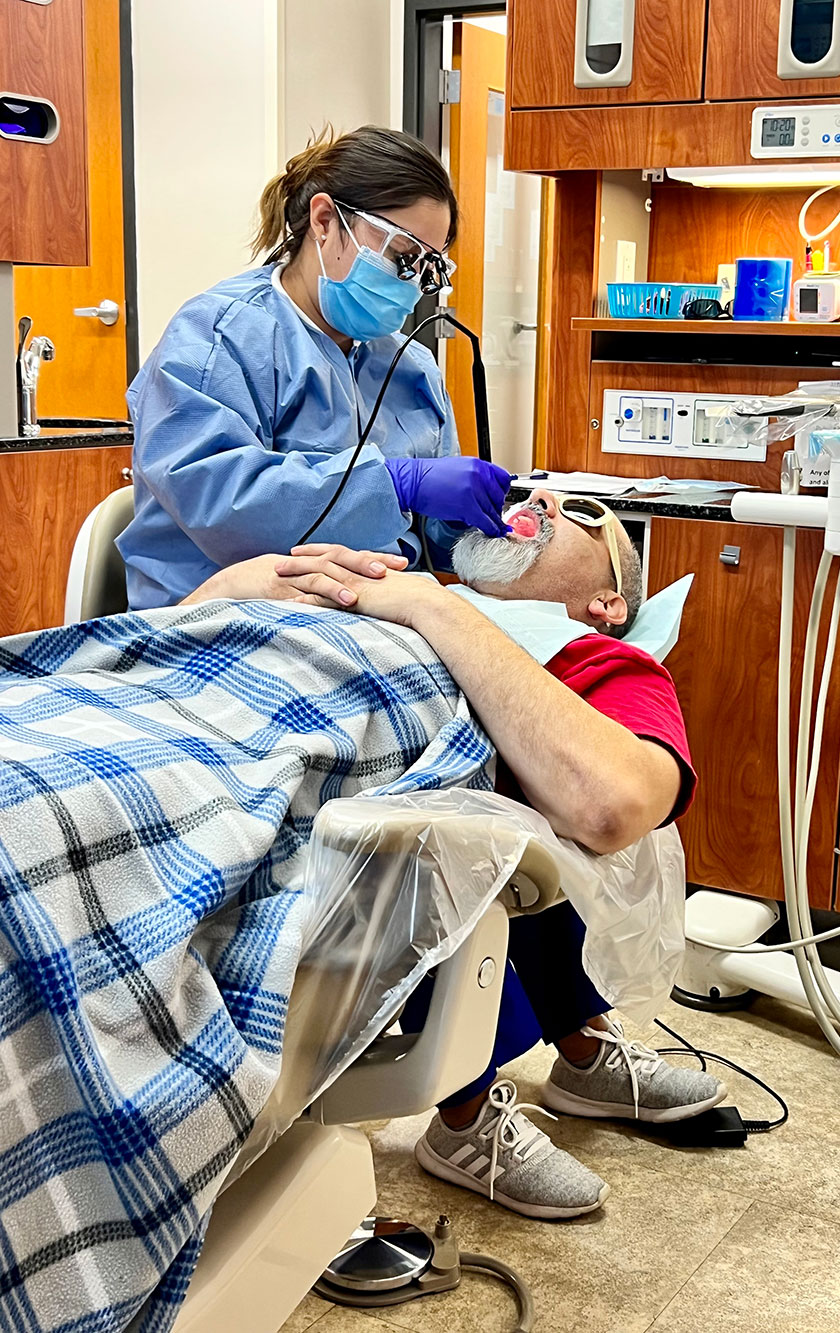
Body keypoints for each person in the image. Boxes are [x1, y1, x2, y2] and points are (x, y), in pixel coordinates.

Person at [191, 488, 725, 1220]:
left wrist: (441, 611)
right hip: (191, 728)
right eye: (535, 488)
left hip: (268, 803)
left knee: (445, 833)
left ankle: (484, 1102)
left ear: (607, 602)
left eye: (582, 512)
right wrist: (268, 577)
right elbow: (195, 615)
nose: (537, 496)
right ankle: (575, 1050)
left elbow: (616, 802)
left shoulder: (594, 657)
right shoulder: (398, 585)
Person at [118, 124, 511, 610]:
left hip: (372, 620)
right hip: (225, 623)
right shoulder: (218, 339)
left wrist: (467, 525)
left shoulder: (410, 367)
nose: (411, 285)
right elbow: (223, 506)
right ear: (324, 221)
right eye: (401, 256)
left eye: (427, 268)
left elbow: (429, 541)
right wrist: (393, 483)